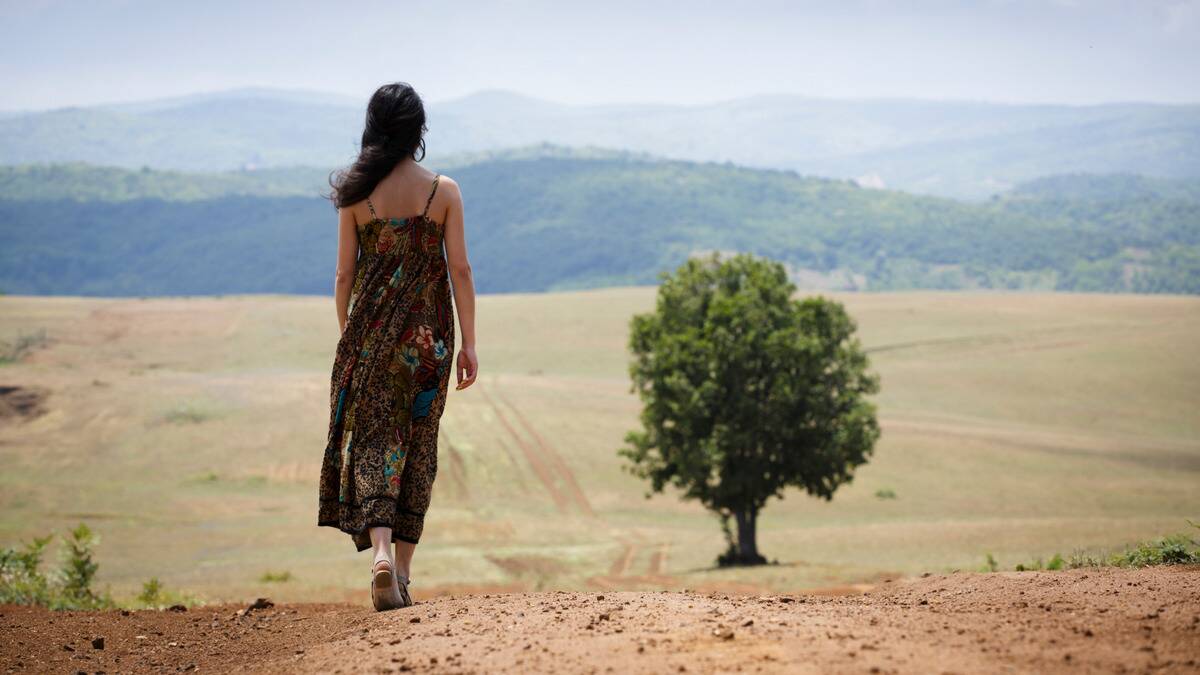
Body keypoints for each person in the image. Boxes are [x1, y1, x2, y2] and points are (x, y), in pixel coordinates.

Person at [317, 82, 478, 611]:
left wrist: (351, 336)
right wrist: (468, 344)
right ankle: (404, 572)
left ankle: (381, 554)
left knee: (374, 446)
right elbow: (460, 270)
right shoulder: (443, 192)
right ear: (418, 130)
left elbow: (345, 274)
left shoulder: (356, 195)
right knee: (417, 447)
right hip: (429, 343)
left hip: (370, 342)